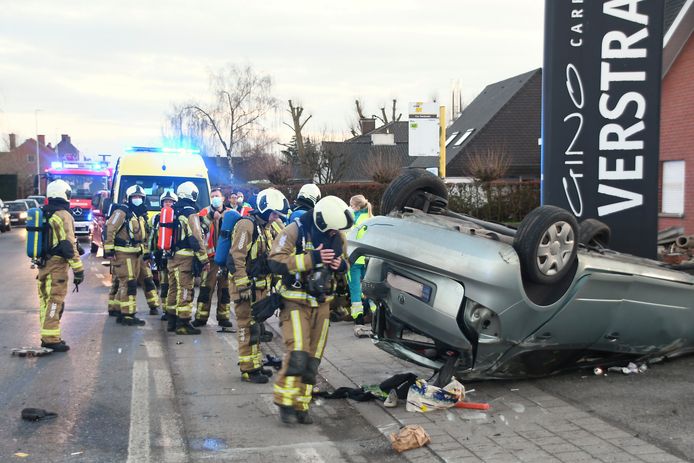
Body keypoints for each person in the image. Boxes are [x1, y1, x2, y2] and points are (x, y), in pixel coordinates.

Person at [268, 195, 354, 424]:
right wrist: (311, 258)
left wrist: (341, 265)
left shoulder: (338, 235)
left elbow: (346, 262)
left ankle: (301, 404)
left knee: (312, 359)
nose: (336, 234)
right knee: (298, 353)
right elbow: (275, 261)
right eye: (333, 230)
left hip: (323, 303)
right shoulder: (294, 231)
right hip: (295, 302)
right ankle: (284, 400)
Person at [228, 188, 288, 384]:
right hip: (246, 287)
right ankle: (248, 369)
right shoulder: (247, 225)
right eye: (272, 213)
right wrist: (242, 285)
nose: (274, 217)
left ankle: (255, 364)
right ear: (262, 208)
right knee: (247, 325)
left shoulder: (264, 227)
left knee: (256, 327)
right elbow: (236, 256)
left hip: (259, 287)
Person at [36, 180, 84, 352]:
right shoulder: (64, 215)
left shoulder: (44, 212)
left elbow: (56, 239)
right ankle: (51, 338)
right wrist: (78, 269)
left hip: (43, 264)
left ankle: (47, 334)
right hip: (57, 266)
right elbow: (67, 245)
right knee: (55, 301)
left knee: (45, 301)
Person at [167, 181, 210, 335]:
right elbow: (197, 237)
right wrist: (204, 259)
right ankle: (183, 323)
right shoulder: (190, 212)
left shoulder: (173, 210)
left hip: (172, 256)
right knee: (185, 289)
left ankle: (171, 321)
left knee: (173, 288)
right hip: (185, 257)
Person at [104, 185, 149, 326]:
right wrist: (109, 250)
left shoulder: (138, 214)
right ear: (128, 198)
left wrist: (146, 254)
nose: (138, 199)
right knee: (128, 283)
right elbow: (110, 228)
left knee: (127, 283)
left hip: (135, 253)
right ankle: (128, 315)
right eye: (135, 197)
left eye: (140, 197)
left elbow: (142, 236)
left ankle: (117, 309)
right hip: (123, 253)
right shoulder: (121, 212)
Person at [193, 188, 233, 328]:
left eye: (217, 196)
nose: (215, 198)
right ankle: (201, 317)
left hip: (226, 259)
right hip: (210, 258)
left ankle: (224, 317)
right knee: (206, 288)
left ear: (223, 198)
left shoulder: (231, 213)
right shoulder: (204, 213)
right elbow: (198, 231)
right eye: (212, 196)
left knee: (225, 290)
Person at [348, 194, 374, 337]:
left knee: (355, 290)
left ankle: (358, 320)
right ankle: (375, 316)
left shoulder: (352, 219)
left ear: (357, 206)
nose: (350, 208)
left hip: (354, 260)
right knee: (370, 288)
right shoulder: (372, 217)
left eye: (351, 205)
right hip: (369, 260)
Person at [149, 190, 178, 321]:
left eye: (170, 202)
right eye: (166, 202)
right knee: (164, 284)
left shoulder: (178, 217)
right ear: (161, 203)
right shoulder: (156, 218)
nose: (168, 204)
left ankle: (174, 309)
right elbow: (152, 237)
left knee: (175, 284)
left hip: (175, 255)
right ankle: (166, 310)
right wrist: (149, 254)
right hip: (161, 255)